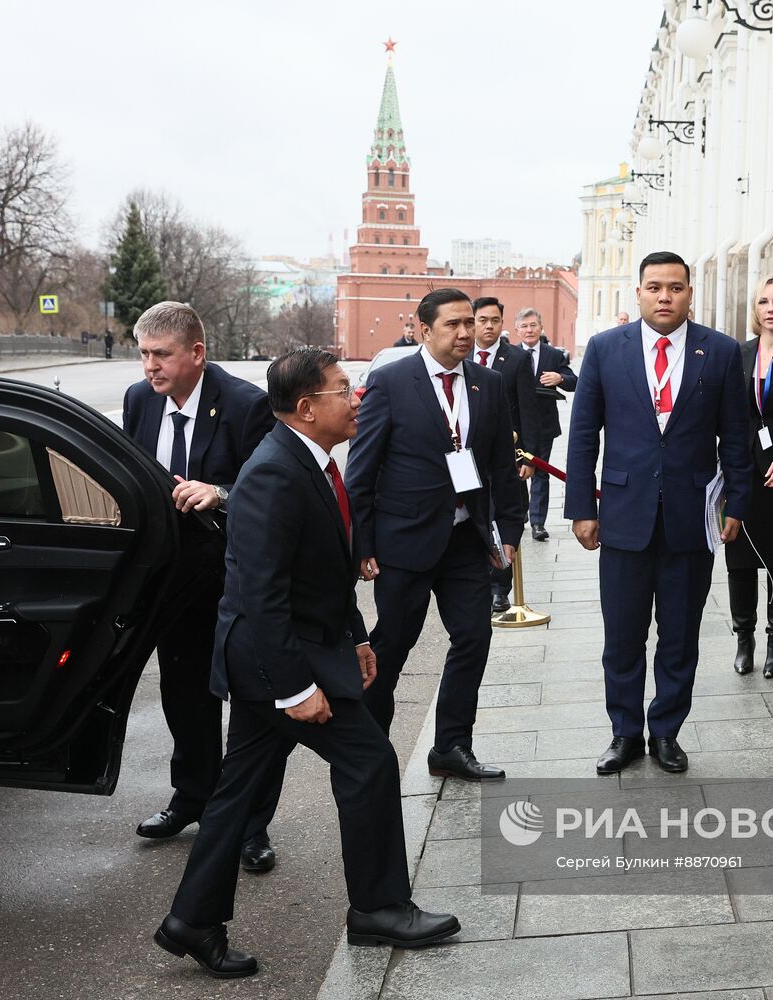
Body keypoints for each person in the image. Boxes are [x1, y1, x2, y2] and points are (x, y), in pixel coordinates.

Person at [156, 349, 459, 978]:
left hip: (293, 648)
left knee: (237, 791)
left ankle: (192, 920)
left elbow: (322, 576)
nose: (357, 399)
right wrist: (294, 689)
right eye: (345, 390)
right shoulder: (274, 472)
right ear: (307, 407)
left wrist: (356, 638)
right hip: (274, 661)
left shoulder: (312, 462)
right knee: (370, 760)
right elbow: (260, 594)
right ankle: (379, 909)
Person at [565, 251, 753, 775]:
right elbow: (583, 436)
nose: (664, 296)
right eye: (654, 287)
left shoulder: (718, 352)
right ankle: (624, 733)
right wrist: (582, 507)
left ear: (690, 293)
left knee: (679, 635)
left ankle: (666, 731)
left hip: (692, 518)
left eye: (675, 287)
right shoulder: (605, 350)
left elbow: (735, 438)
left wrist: (735, 503)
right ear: (639, 292)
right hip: (624, 516)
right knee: (622, 636)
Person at [121, 301, 280, 873]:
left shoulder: (244, 404)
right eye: (142, 354)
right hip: (173, 580)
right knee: (183, 693)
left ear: (196, 353)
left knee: (249, 704)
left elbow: (268, 486)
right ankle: (192, 798)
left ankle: (250, 825)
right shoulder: (140, 401)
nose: (149, 367)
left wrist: (221, 492)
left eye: (160, 354)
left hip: (234, 579)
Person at [346, 288, 526, 781]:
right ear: (425, 330)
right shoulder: (390, 381)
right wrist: (362, 544)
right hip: (403, 542)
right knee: (392, 644)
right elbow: (360, 472)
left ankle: (450, 745)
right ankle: (367, 745)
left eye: (470, 323)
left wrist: (509, 529)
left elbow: (499, 467)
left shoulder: (487, 384)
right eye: (453, 325)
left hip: (466, 539)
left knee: (473, 637)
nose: (466, 332)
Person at [727, 276, 773, 680]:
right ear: (754, 311)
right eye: (763, 302)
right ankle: (744, 638)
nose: (770, 308)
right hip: (742, 470)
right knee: (739, 560)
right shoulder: (738, 355)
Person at [470, 296, 539, 612]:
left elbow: (528, 408)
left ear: (502, 323)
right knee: (472, 518)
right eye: (481, 320)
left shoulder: (515, 359)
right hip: (467, 457)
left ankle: (501, 588)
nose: (487, 326)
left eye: (494, 320)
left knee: (503, 518)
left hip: (506, 457)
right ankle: (476, 581)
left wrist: (529, 457)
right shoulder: (461, 357)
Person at [516, 306, 577, 540]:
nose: (529, 330)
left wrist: (560, 378)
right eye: (524, 326)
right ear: (517, 330)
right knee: (516, 472)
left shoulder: (553, 355)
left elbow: (574, 381)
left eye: (533, 325)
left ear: (541, 327)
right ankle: (520, 513)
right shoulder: (509, 354)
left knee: (541, 472)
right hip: (516, 426)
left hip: (544, 425)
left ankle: (538, 523)